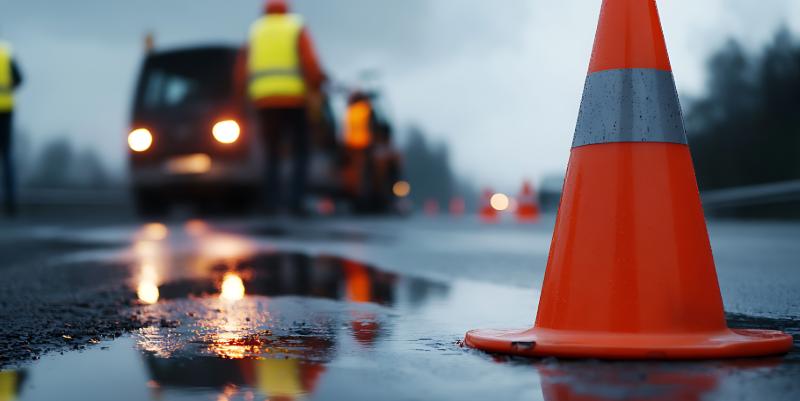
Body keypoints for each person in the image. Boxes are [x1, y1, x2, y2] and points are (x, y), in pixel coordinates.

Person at [247, 0, 325, 216]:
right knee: (300, 152)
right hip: (293, 100)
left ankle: (271, 203)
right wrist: (317, 81)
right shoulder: (295, 26)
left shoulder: (257, 30)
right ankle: (295, 202)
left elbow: (244, 66)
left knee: (271, 153)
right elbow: (309, 62)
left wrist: (243, 96)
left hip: (264, 102)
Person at [343, 91, 378, 209]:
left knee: (354, 174)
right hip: (364, 145)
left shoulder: (350, 110)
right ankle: (363, 200)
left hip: (350, 145)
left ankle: (359, 198)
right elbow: (372, 127)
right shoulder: (366, 110)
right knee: (363, 175)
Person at [0, 40, 22, 217]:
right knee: (7, 156)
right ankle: (11, 203)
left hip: (6, 111)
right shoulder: (6, 52)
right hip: (6, 110)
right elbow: (20, 79)